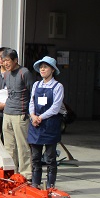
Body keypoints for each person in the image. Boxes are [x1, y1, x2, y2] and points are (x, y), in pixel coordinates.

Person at [28, 56, 64, 188]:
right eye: (41, 67)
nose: (42, 69)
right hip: (35, 124)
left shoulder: (58, 86)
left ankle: (50, 185)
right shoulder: (36, 85)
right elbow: (31, 102)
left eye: (45, 67)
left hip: (50, 124)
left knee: (50, 158)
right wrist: (32, 115)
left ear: (53, 70)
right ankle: (35, 183)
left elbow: (55, 107)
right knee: (35, 157)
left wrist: (40, 117)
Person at [2, 48, 34, 177]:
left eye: (8, 60)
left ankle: (26, 174)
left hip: (20, 114)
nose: (6, 63)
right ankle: (12, 173)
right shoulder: (6, 74)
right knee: (9, 146)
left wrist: (31, 113)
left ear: (16, 60)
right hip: (7, 112)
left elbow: (33, 93)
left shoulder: (24, 72)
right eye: (4, 61)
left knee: (22, 146)